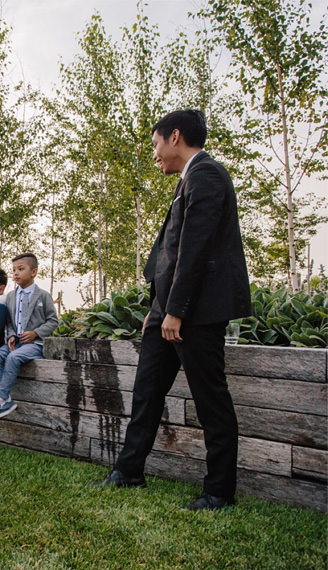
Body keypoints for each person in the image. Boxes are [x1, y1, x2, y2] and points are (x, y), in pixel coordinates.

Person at [96, 110, 251, 511]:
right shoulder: (189, 181)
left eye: (155, 145)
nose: (154, 155)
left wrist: (176, 311)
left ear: (175, 136)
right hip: (168, 312)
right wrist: (157, 307)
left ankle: (218, 492)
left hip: (195, 315)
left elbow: (195, 251)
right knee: (147, 391)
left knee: (210, 400)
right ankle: (128, 470)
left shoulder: (207, 175)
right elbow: (171, 255)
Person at [0, 253, 58, 420]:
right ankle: (6, 400)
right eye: (14, 270)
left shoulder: (43, 296)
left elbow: (53, 321)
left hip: (35, 344)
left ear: (34, 271)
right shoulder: (10, 296)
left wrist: (36, 333)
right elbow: (9, 322)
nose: (16, 273)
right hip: (15, 343)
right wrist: (11, 336)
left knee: (13, 358)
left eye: (21, 269)